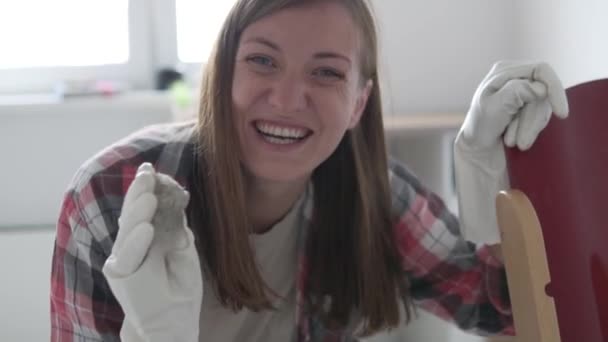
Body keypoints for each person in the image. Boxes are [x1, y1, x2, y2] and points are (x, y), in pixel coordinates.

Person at [49, 0, 569, 341]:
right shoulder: (109, 200)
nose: (286, 99)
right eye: (262, 61)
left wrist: (496, 190)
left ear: (358, 103)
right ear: (222, 73)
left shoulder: (374, 199)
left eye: (326, 72)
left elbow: (509, 317)